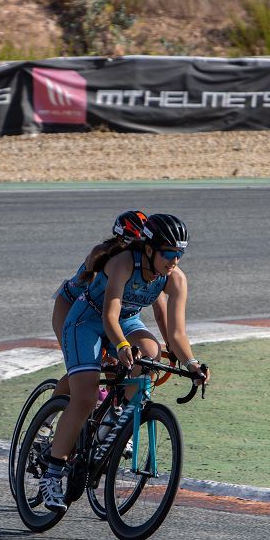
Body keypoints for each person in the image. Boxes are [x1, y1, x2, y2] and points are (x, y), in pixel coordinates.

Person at [40, 213, 211, 512]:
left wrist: (193, 364)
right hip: (87, 320)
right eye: (169, 253)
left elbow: (176, 331)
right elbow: (108, 316)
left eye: (180, 254)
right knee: (85, 395)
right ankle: (52, 472)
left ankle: (113, 420)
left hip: (127, 320)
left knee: (151, 351)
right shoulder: (122, 262)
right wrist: (119, 345)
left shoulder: (175, 278)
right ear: (149, 249)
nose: (175, 260)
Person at [51, 209, 151, 398]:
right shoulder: (104, 256)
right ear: (122, 240)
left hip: (102, 315)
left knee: (120, 368)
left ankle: (108, 411)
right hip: (71, 308)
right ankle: (46, 421)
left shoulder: (142, 266)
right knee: (86, 372)